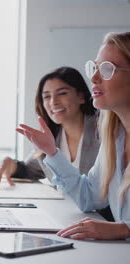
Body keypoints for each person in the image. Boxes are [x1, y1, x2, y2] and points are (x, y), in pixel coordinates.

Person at [17, 32, 130, 240]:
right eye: (94, 68)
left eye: (107, 69)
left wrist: (124, 229)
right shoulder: (115, 137)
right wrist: (52, 152)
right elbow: (90, 197)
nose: (94, 78)